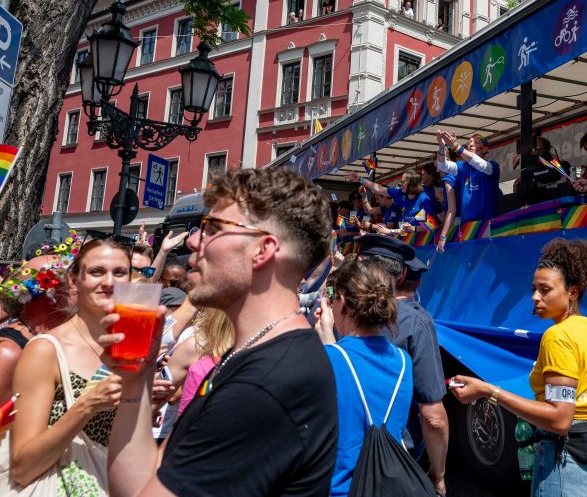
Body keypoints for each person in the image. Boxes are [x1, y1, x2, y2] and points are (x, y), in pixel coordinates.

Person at [104, 168, 337, 497]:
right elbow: (141, 483)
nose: (192, 240)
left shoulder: (265, 383)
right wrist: (136, 375)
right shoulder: (251, 355)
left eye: (212, 228)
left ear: (262, 250)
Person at [450, 239, 587, 497]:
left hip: (569, 463)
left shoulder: (557, 337)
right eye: (534, 289)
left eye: (545, 290)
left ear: (573, 292)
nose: (535, 297)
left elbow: (560, 419)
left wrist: (488, 391)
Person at [7, 238, 129, 491]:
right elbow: (22, 467)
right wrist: (88, 404)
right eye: (97, 272)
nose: (109, 282)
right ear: (74, 281)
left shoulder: (128, 347)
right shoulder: (46, 349)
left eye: (119, 272)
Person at [354, 235, 449, 494]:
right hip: (395, 456)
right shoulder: (415, 323)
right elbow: (433, 417)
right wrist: (438, 475)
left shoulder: (334, 313)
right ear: (401, 275)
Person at [314, 255, 414, 497]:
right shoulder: (403, 361)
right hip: (388, 487)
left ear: (343, 304)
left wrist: (327, 337)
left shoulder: (328, 358)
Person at [0, 242, 77, 440]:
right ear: (50, 294)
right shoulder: (9, 353)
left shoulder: (48, 343)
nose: (79, 286)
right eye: (71, 280)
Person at [435, 131, 500, 223]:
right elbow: (442, 166)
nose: (471, 144)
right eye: (469, 142)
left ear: (485, 149)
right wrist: (442, 146)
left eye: (476, 142)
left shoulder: (492, 166)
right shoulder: (463, 166)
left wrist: (454, 145)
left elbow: (477, 162)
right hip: (467, 225)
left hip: (487, 223)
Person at [351, 171, 435, 226]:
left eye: (403, 181)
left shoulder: (423, 198)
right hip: (406, 239)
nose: (400, 183)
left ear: (412, 183)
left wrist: (413, 229)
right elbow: (379, 188)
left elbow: (430, 225)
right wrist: (360, 179)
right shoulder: (399, 193)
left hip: (424, 242)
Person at [517, 136, 572, 205]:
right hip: (538, 205)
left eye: (533, 149)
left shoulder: (556, 163)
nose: (532, 152)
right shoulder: (529, 168)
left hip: (559, 203)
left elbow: (563, 177)